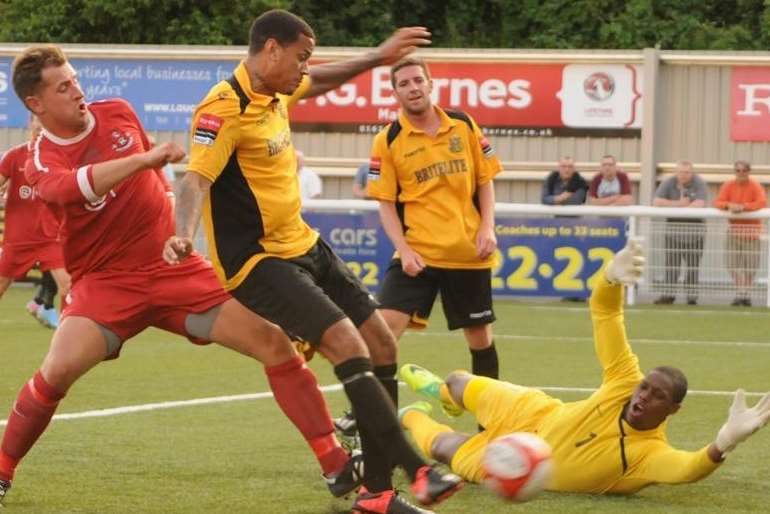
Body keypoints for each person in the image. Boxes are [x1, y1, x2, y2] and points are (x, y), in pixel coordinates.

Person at [0, 45, 366, 507]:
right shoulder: (40, 157)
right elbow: (70, 188)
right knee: (56, 372)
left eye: (75, 79)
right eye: (64, 86)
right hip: (106, 282)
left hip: (174, 269)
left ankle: (334, 462)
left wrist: (178, 232)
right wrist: (142, 160)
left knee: (274, 343)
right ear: (36, 104)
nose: (78, 90)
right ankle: (1, 472)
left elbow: (162, 179)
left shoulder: (117, 112)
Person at [164, 10, 462, 514]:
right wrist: (180, 234)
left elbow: (322, 79)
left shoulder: (281, 88)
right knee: (345, 343)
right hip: (256, 260)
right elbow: (195, 180)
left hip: (303, 244)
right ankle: (419, 470)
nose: (307, 68)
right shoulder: (222, 107)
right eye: (301, 57)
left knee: (382, 343)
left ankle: (375, 493)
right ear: (271, 49)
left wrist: (377, 57)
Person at [398, 238, 770, 494]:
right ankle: (442, 393)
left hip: (519, 461)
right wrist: (610, 278)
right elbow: (606, 313)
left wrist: (723, 443)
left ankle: (410, 414)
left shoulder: (646, 456)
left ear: (673, 410)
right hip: (533, 413)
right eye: (645, 387)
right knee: (459, 381)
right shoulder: (626, 379)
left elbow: (687, 469)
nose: (643, 396)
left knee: (445, 446)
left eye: (657, 396)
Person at [365, 57, 503, 409]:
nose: (412, 88)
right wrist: (404, 250)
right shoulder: (388, 139)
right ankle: (374, 418)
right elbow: (385, 203)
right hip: (418, 254)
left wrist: (487, 226)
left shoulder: (463, 124)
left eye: (417, 81)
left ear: (430, 84)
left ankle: (490, 421)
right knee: (382, 332)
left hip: (467, 253)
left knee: (480, 338)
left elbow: (485, 180)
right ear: (395, 93)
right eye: (403, 84)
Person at [0, 114, 70, 328]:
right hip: (18, 239)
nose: (41, 125)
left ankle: (68, 336)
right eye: (38, 120)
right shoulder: (14, 156)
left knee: (68, 287)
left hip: (50, 238)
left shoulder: (61, 157)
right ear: (31, 123)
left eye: (47, 121)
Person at [652, 160, 708, 305]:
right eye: (681, 172)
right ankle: (668, 295)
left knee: (693, 266)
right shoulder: (668, 182)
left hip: (696, 232)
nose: (684, 175)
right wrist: (679, 204)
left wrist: (679, 207)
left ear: (692, 172)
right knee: (671, 265)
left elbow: (700, 204)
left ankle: (691, 297)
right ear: (676, 172)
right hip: (673, 231)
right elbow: (657, 201)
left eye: (687, 172)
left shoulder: (699, 182)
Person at [714, 161, 767, 307]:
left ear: (749, 172)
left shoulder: (756, 186)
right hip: (733, 231)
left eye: (744, 170)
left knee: (750, 266)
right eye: (738, 170)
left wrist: (743, 207)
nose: (741, 173)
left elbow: (762, 202)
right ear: (735, 172)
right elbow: (718, 202)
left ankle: (746, 294)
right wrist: (729, 205)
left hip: (752, 232)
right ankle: (739, 292)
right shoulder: (728, 185)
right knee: (732, 264)